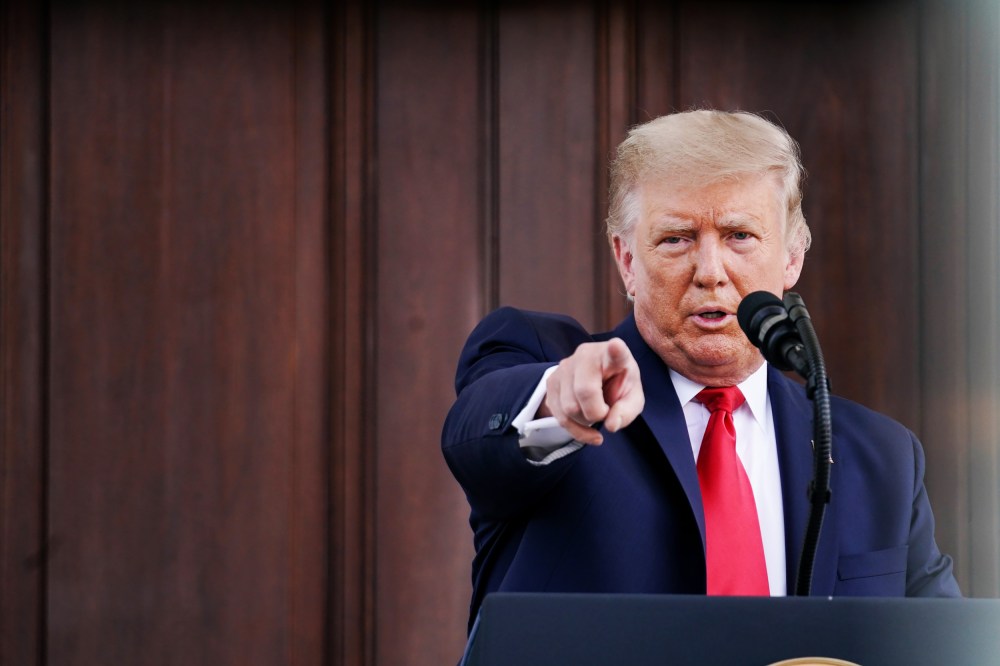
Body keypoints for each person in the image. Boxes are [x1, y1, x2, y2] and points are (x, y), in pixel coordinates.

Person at [441, 109, 960, 632]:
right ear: (627, 260)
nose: (710, 272)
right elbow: (477, 434)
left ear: (791, 258)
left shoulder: (882, 458)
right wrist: (560, 399)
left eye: (739, 235)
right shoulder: (551, 365)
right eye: (676, 239)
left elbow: (947, 644)